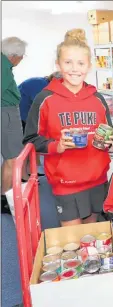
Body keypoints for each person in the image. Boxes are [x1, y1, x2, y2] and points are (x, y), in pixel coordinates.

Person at [23, 29, 113, 226]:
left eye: (81, 63)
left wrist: (106, 142)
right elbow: (31, 139)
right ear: (58, 64)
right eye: (68, 63)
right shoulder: (45, 98)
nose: (74, 69)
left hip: (97, 179)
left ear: (89, 66)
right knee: (72, 240)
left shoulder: (97, 99)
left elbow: (107, 134)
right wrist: (58, 146)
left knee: (95, 238)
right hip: (66, 183)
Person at [1, 37, 28, 214]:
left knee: (8, 158)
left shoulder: (4, 64)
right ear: (13, 55)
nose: (22, 59)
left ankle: (3, 193)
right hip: (6, 113)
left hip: (6, 112)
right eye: (21, 56)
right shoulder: (3, 67)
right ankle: (5, 198)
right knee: (13, 159)